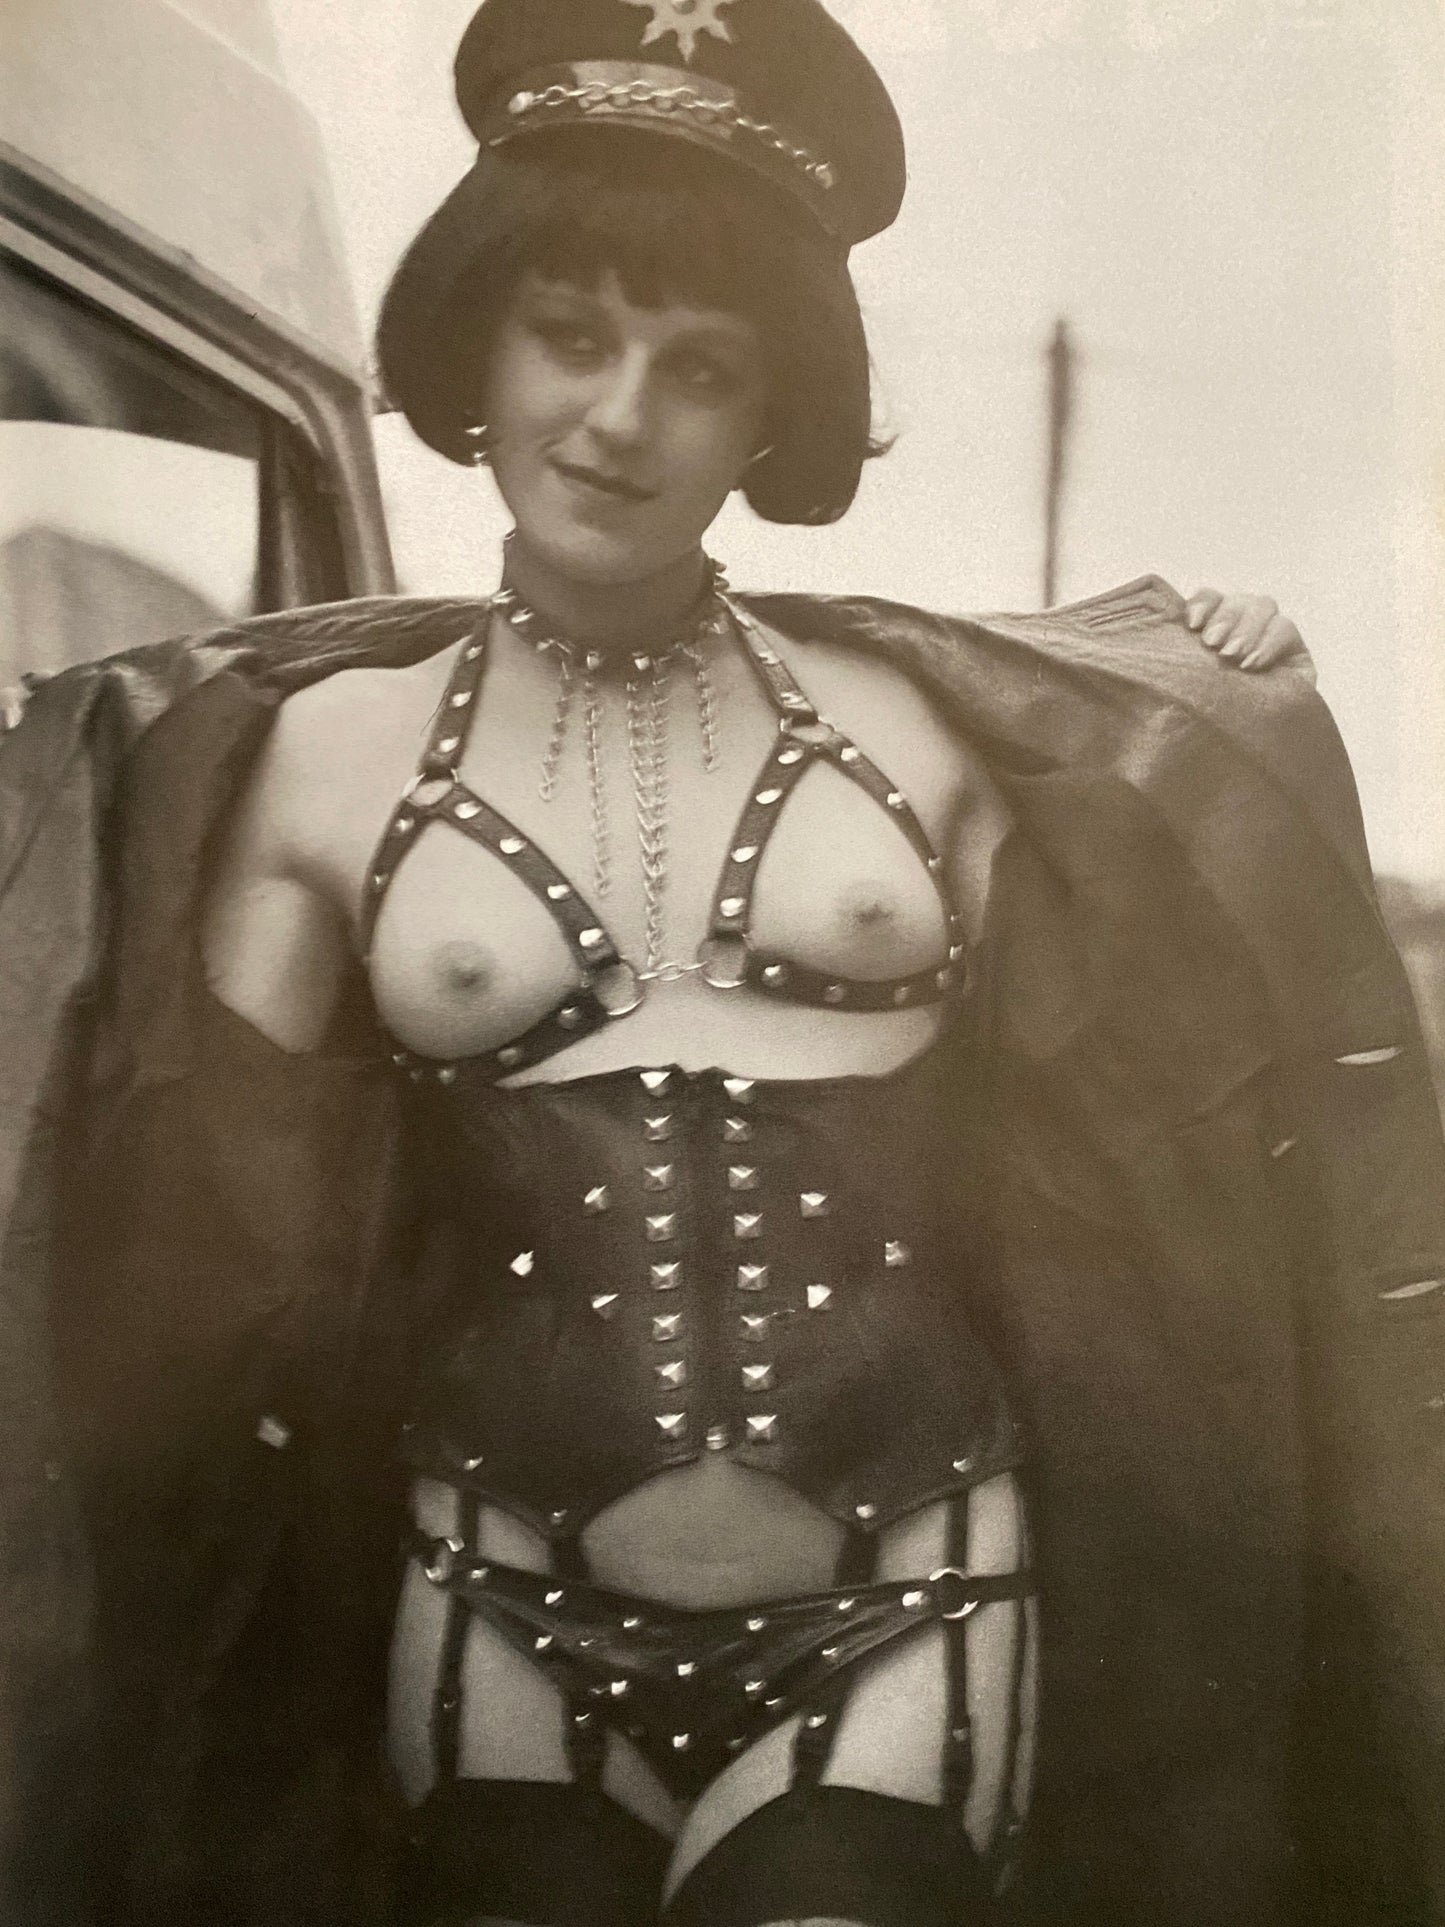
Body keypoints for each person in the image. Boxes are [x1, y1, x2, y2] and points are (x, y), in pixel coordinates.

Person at [2, 3, 1442, 1926]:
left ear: (775, 412)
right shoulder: (314, 769)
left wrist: (1203, 694)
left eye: (698, 364)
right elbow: (201, 1244)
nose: (617, 417)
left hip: (915, 1593)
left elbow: (1147, 1143)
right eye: (569, 334)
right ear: (476, 341)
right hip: (484, 1601)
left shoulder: (931, 738)